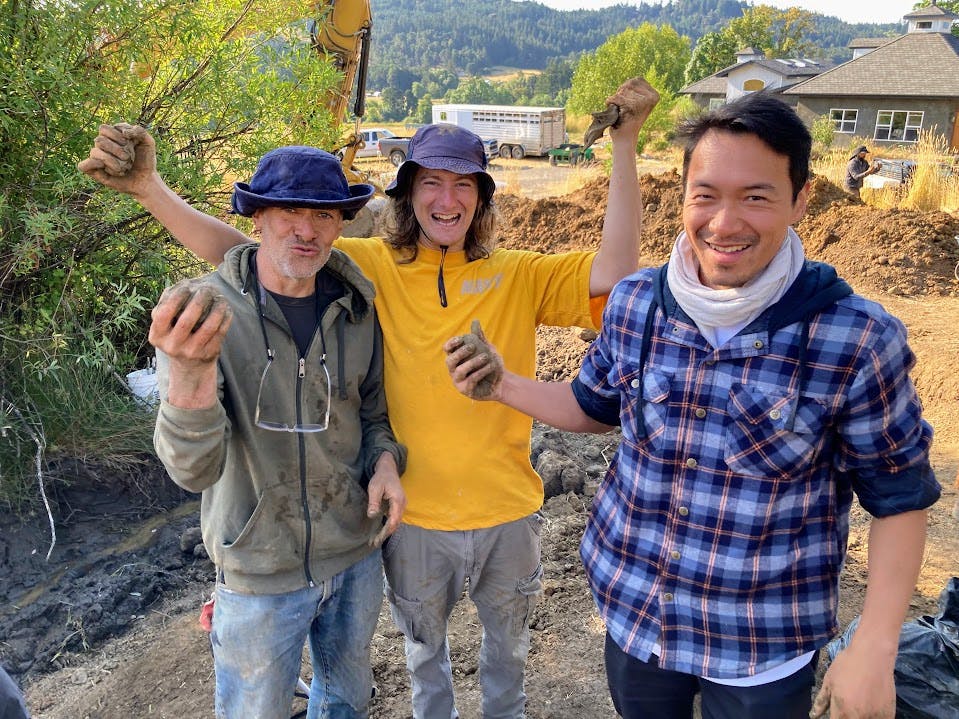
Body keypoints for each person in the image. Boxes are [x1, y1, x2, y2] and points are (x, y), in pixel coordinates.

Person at [77, 77, 659, 718]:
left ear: (482, 199)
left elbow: (618, 275)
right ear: (406, 196)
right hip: (413, 523)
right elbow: (251, 250)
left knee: (506, 665)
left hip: (508, 511)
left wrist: (625, 147)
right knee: (425, 669)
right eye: (430, 183)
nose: (447, 199)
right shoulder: (371, 267)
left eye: (464, 184)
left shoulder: (519, 272)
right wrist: (151, 192)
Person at [446, 92, 941, 719]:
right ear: (682, 197)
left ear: (801, 200)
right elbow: (594, 407)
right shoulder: (636, 304)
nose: (725, 222)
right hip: (637, 617)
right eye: (705, 195)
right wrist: (502, 386)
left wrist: (875, 643)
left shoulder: (855, 337)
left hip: (764, 646)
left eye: (756, 196)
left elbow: (900, 498)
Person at [81, 144, 408, 718]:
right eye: (288, 212)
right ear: (256, 218)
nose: (306, 230)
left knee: (348, 700)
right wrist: (187, 379)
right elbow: (193, 470)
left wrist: (385, 464)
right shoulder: (207, 314)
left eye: (324, 214)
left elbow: (375, 413)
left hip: (355, 557)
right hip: (258, 574)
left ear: (341, 224)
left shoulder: (357, 309)